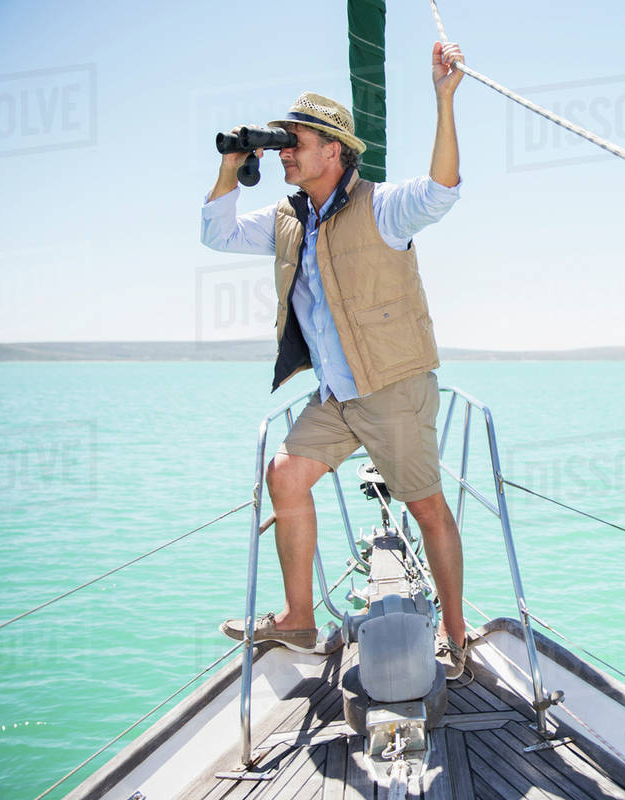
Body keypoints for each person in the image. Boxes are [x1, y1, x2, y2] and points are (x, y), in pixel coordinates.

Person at [200, 42, 470, 679]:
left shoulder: (382, 207)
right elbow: (216, 232)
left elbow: (442, 189)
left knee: (427, 508)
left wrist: (444, 97)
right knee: (286, 474)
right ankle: (298, 619)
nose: (285, 152)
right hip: (337, 396)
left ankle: (456, 636)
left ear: (334, 150)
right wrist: (232, 166)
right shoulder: (288, 219)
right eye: (282, 142)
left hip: (394, 389)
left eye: (294, 142)